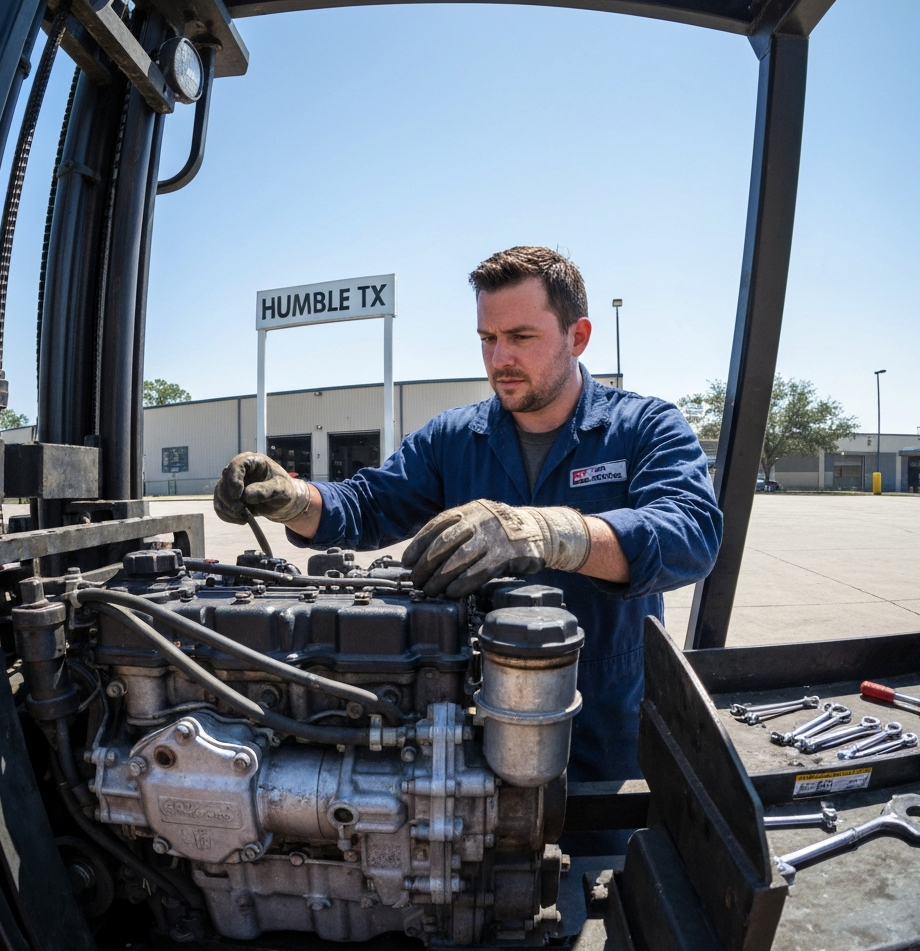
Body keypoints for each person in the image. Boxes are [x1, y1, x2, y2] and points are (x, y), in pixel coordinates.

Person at [214, 246, 722, 789]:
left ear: (578, 336)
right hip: (474, 730)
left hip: (603, 732)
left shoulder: (644, 427)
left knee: (601, 868)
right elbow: (368, 504)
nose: (499, 357)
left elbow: (691, 533)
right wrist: (295, 499)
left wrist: (553, 533)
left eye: (521, 337)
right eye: (487, 339)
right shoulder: (454, 439)